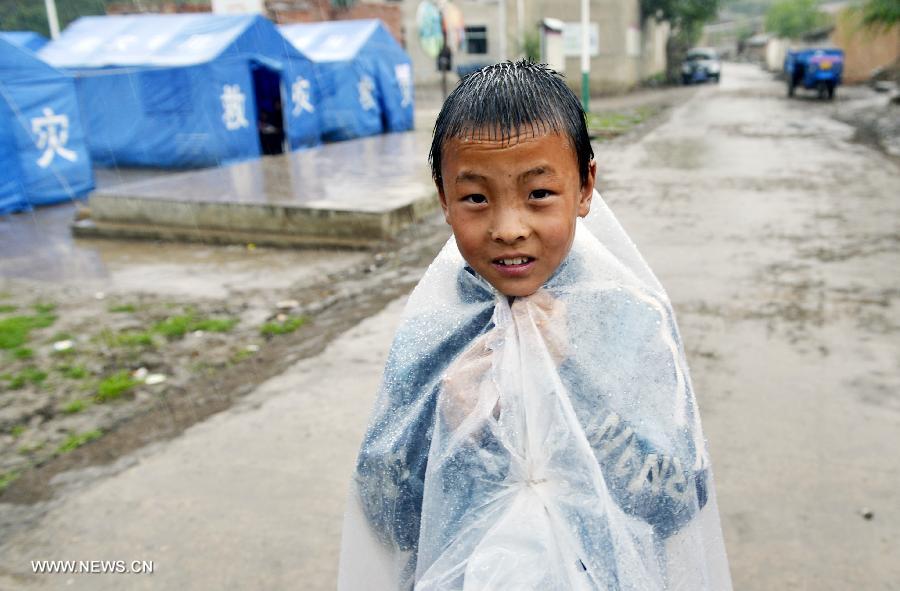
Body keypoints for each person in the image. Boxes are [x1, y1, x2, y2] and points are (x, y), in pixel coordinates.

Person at [336, 59, 732, 590]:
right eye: (476, 198)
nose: (508, 228)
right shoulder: (432, 333)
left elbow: (677, 501)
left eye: (538, 194)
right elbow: (386, 517)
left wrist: (577, 386)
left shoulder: (631, 320)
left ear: (585, 186)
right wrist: (456, 427)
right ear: (444, 200)